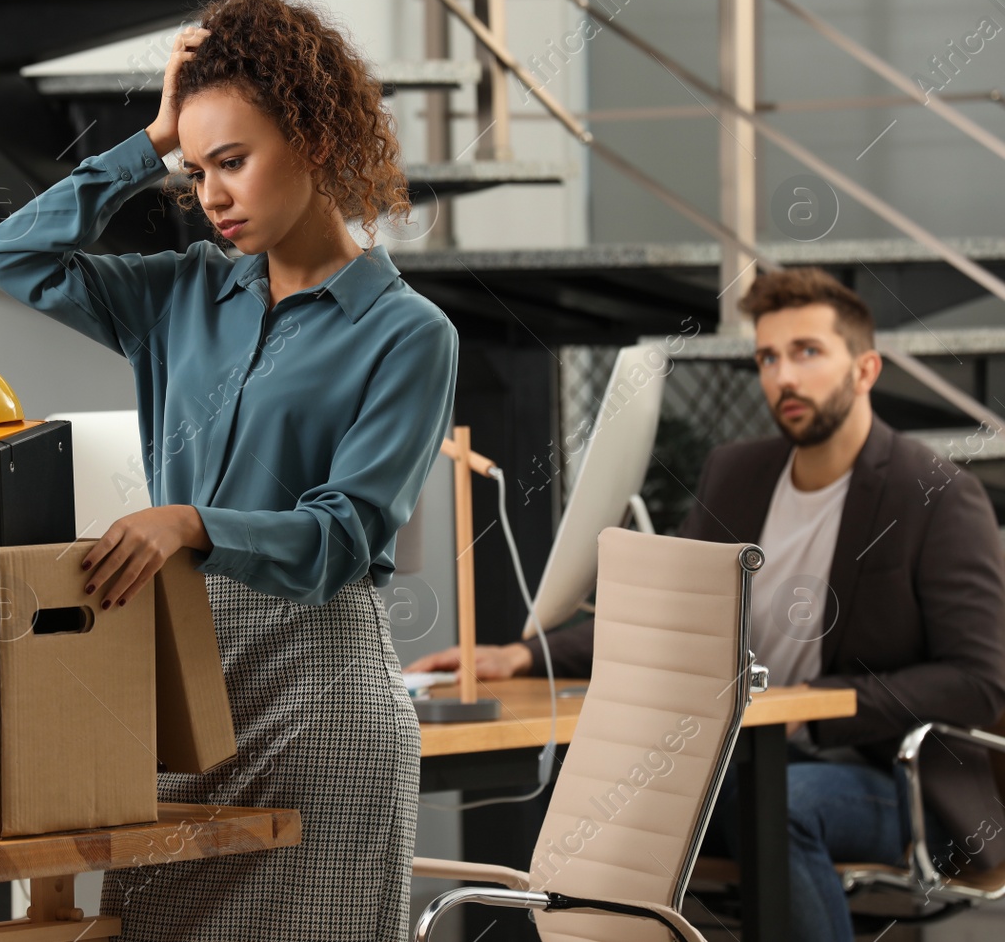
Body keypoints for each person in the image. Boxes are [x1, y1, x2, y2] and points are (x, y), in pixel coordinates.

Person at [0, 0, 458, 941]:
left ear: (315, 140)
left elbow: (342, 538)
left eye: (232, 161)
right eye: (194, 171)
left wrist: (193, 523)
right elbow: (14, 254)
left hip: (324, 711)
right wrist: (151, 138)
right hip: (182, 697)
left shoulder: (409, 334)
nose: (211, 196)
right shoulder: (179, 295)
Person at [408, 267, 1005, 942]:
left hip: (886, 775)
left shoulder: (935, 493)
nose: (783, 376)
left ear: (865, 368)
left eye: (807, 351)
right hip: (741, 762)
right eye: (767, 357)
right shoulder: (739, 474)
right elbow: (674, 621)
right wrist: (523, 653)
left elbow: (978, 683)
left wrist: (817, 700)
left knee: (778, 808)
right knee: (601, 793)